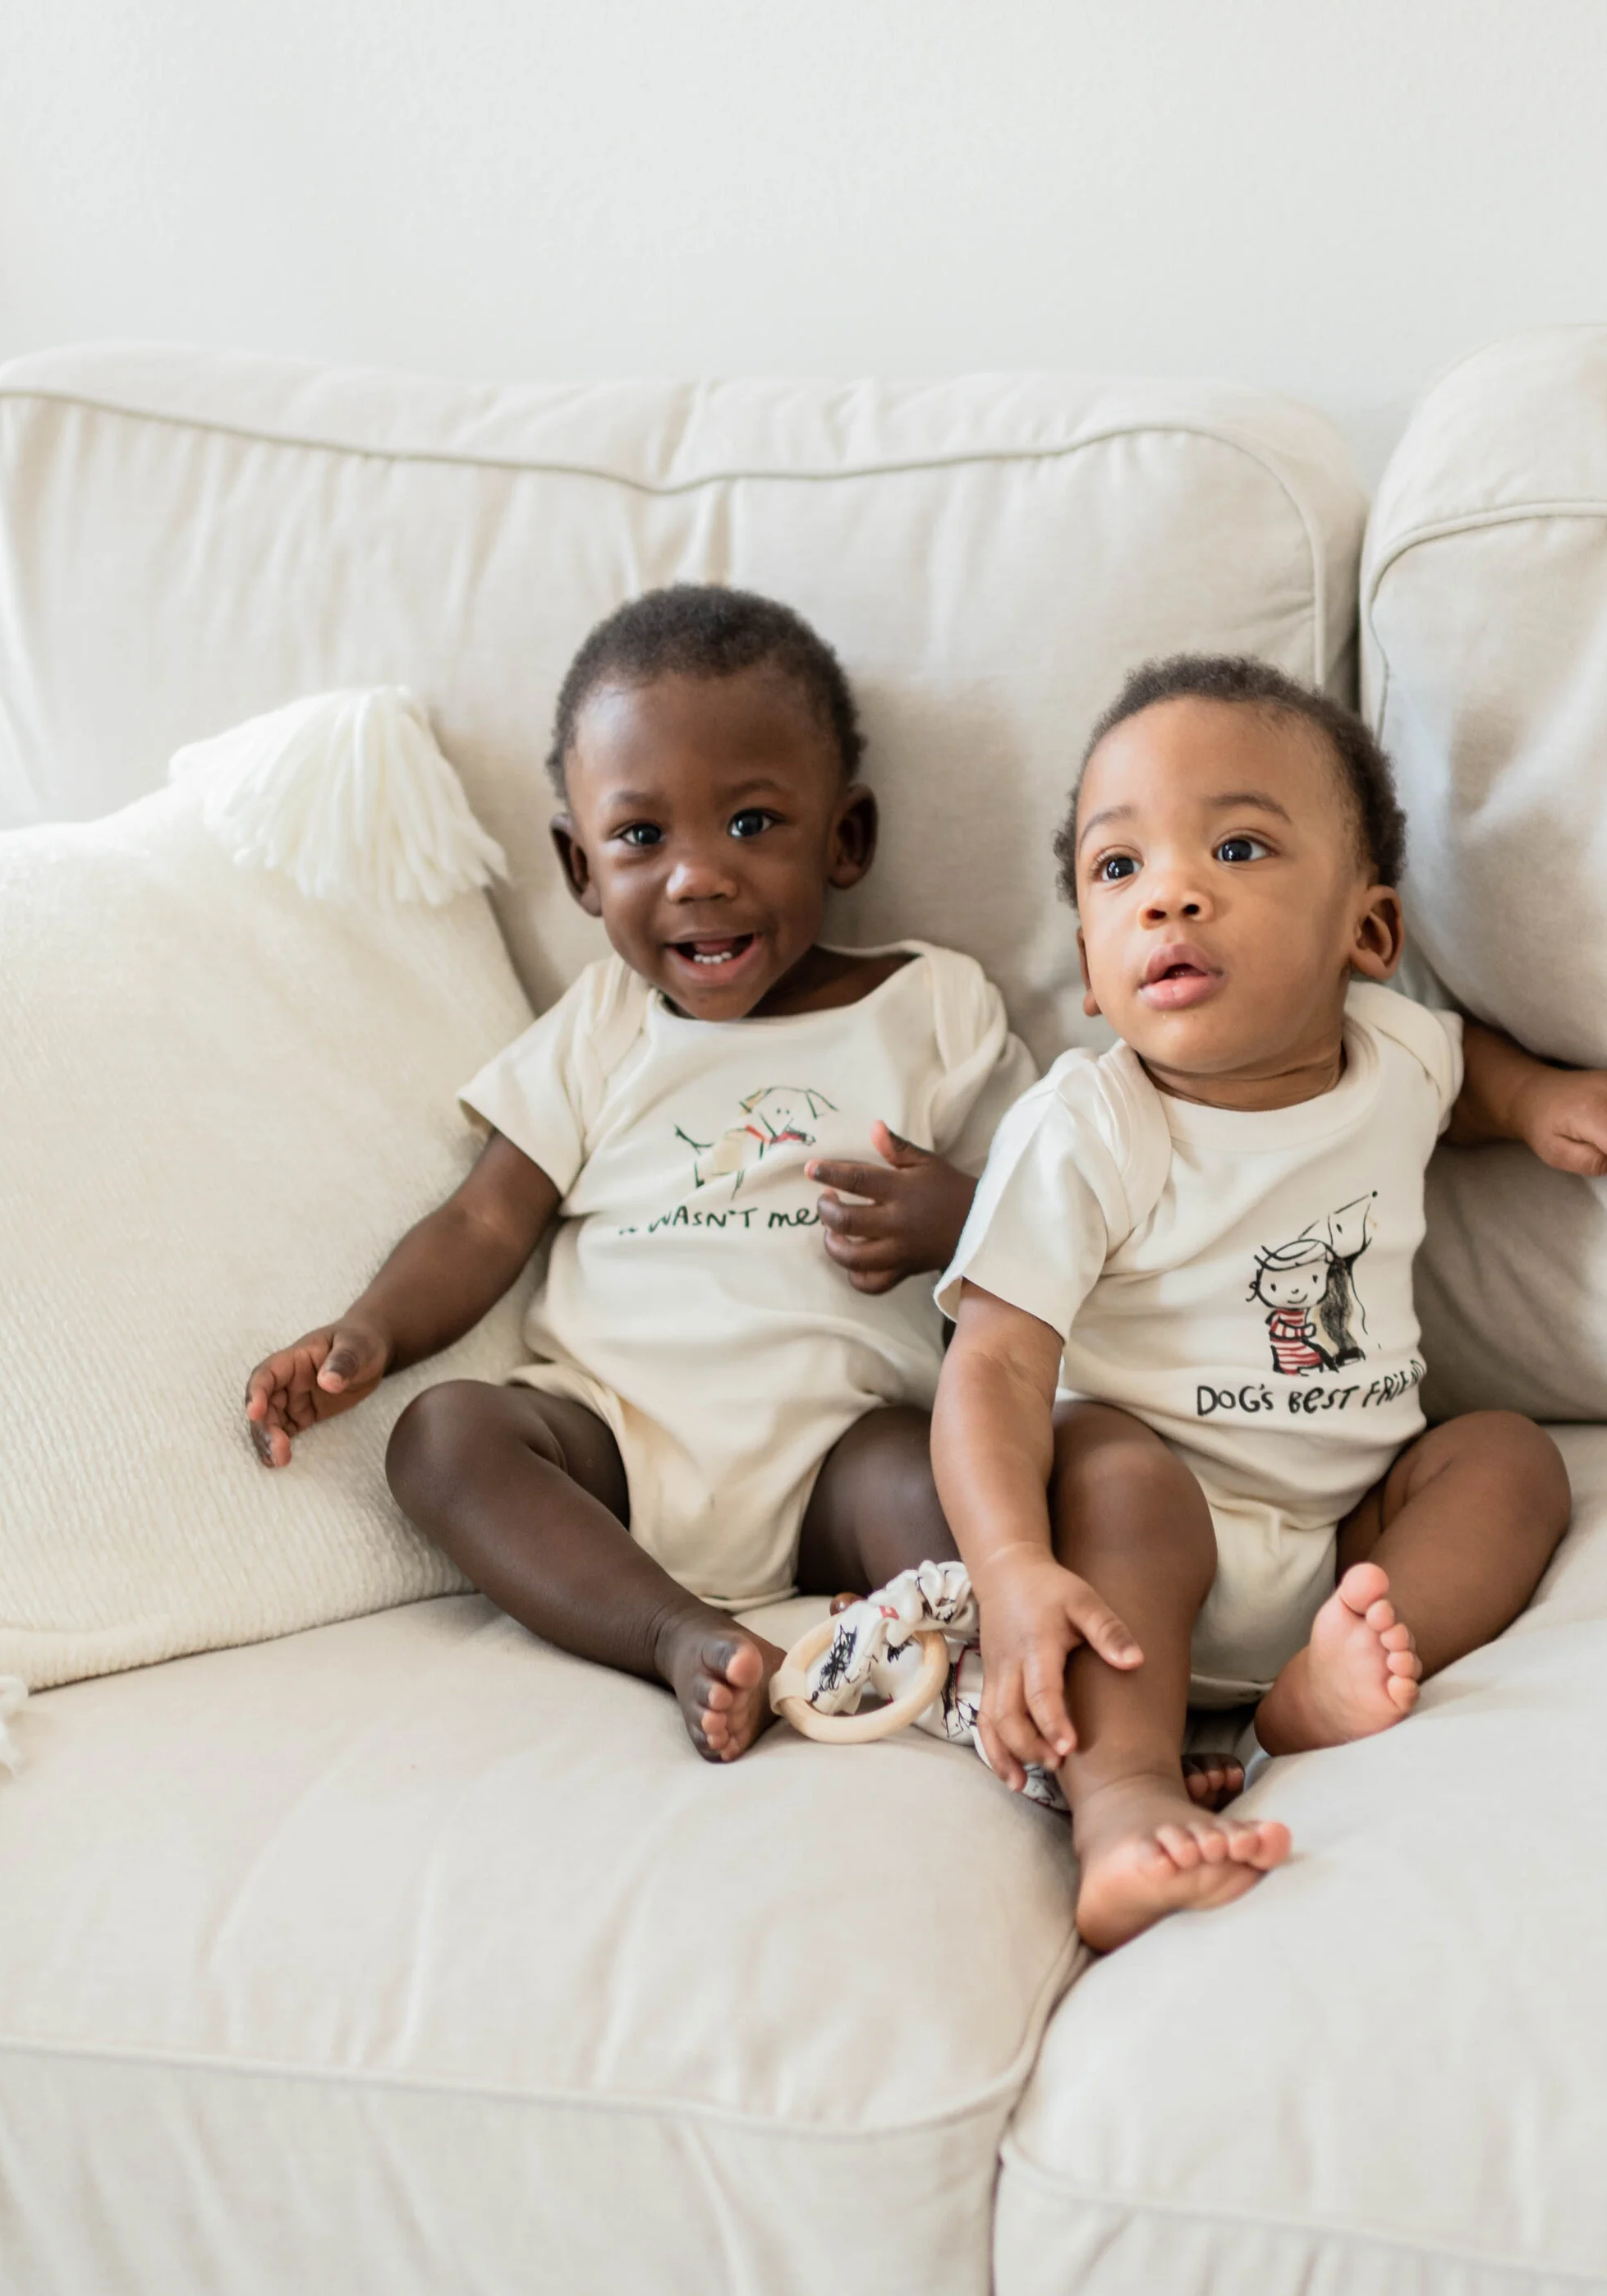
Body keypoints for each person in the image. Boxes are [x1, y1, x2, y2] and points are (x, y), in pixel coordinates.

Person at [931, 654, 1607, 1949]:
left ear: (1369, 935)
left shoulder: (1396, 1052)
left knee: (1508, 1459)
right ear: (1088, 960)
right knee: (1110, 1460)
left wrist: (1544, 1103)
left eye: (1236, 848)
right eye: (1119, 872)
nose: (1169, 892)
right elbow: (995, 1366)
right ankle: (1123, 1804)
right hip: (1141, 1549)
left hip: (1349, 1530)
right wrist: (1011, 1572)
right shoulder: (1088, 1129)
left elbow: (1468, 1081)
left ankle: (1318, 1688)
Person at [246, 585, 1031, 1763]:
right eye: (641, 837)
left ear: (846, 837)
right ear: (578, 868)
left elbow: (1054, 1223)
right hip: (611, 1440)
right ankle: (682, 1636)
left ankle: (1048, 1706)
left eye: (754, 824)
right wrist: (369, 1334)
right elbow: (484, 1217)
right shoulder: (605, 1021)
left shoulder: (934, 1006)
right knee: (444, 1438)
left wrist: (957, 1218)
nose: (698, 877)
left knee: (959, 1491)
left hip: (843, 1448)